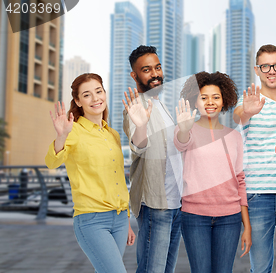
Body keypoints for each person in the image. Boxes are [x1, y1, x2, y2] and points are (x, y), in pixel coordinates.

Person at [45, 73, 135, 272]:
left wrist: (127, 220)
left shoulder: (112, 134)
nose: (95, 99)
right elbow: (52, 162)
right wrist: (61, 137)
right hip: (92, 219)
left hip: (119, 219)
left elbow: (118, 179)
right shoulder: (73, 131)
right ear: (78, 101)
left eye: (99, 91)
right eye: (87, 95)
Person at [174, 71, 251, 272]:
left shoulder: (234, 137)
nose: (210, 102)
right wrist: (183, 129)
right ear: (195, 101)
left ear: (224, 100)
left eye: (216, 97)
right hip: (194, 216)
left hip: (230, 217)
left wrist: (247, 226)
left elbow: (240, 180)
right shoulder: (186, 129)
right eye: (204, 97)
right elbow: (180, 144)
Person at [233, 44, 276, 273]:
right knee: (260, 268)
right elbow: (238, 116)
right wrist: (248, 111)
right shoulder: (248, 104)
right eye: (266, 66)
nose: (272, 70)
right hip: (258, 195)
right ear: (257, 70)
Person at [122, 45, 183, 273]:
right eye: (146, 70)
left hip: (176, 203)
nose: (155, 74)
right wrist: (141, 126)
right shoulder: (135, 106)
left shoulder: (161, 105)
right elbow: (139, 146)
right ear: (134, 75)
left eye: (157, 67)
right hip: (155, 204)